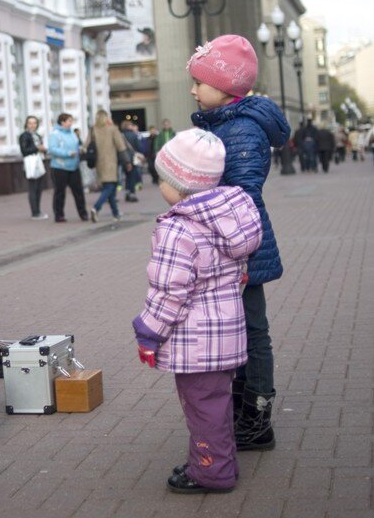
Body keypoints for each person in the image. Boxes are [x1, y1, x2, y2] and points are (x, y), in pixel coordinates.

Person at [133, 128, 262, 494]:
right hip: (227, 334)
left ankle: (210, 472)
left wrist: (148, 333)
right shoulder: (228, 218)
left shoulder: (178, 229)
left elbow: (168, 292)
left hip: (197, 342)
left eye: (162, 178)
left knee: (202, 408)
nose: (159, 186)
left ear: (180, 183)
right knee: (216, 403)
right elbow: (239, 273)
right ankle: (218, 460)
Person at [188, 34, 290, 452]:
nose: (193, 90)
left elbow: (243, 196)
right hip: (229, 245)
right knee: (239, 330)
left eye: (199, 82)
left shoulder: (241, 130)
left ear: (225, 87)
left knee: (253, 330)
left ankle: (256, 418)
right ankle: (240, 407)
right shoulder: (225, 124)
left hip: (241, 248)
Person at [85, 109, 129, 222]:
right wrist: (127, 162)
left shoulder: (93, 130)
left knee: (109, 188)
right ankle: (96, 208)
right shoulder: (113, 129)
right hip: (111, 163)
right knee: (110, 187)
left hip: (98, 164)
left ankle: (116, 213)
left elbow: (85, 145)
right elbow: (121, 147)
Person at [47, 113, 88, 222]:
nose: (71, 123)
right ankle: (59, 215)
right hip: (60, 167)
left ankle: (83, 213)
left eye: (71, 121)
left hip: (74, 166)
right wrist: (68, 153)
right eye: (69, 121)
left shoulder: (72, 134)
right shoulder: (55, 134)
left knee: (78, 191)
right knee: (60, 192)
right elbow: (52, 149)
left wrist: (79, 149)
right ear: (62, 122)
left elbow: (76, 145)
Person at [19, 115, 49, 220]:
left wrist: (43, 150)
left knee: (39, 188)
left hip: (39, 162)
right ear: (26, 124)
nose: (32, 125)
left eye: (34, 123)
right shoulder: (24, 136)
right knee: (33, 188)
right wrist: (37, 148)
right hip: (31, 164)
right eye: (30, 123)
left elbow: (41, 148)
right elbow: (24, 151)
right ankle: (34, 213)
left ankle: (38, 210)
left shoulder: (37, 135)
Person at [120, 120, 143, 202]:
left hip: (123, 159)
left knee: (126, 176)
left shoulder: (120, 135)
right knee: (132, 176)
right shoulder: (134, 135)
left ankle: (127, 192)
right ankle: (132, 193)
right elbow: (139, 146)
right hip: (132, 158)